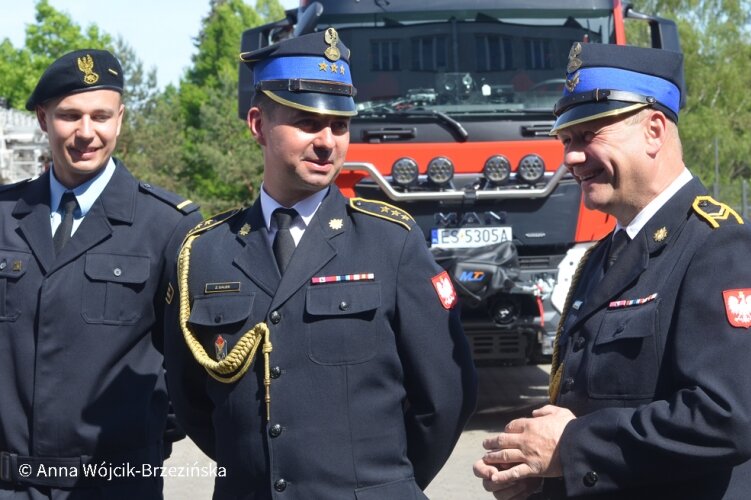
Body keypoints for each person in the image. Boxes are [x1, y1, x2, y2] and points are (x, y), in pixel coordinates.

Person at [164, 28, 477, 499]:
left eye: (340, 125)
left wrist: (383, 482)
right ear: (257, 125)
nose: (327, 142)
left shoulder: (389, 241)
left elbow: (446, 393)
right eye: (307, 123)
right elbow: (193, 401)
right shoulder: (206, 252)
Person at [473, 42, 751, 499]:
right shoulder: (605, 255)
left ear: (654, 130)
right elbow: (595, 399)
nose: (571, 158)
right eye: (566, 141)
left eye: (589, 134)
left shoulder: (720, 246)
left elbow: (725, 418)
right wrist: (537, 465)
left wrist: (571, 449)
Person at [0, 49, 201, 499]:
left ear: (121, 119)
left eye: (100, 116)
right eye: (70, 115)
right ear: (42, 118)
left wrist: (141, 439)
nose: (86, 133)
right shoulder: (2, 215)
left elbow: (188, 371)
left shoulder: (168, 225)